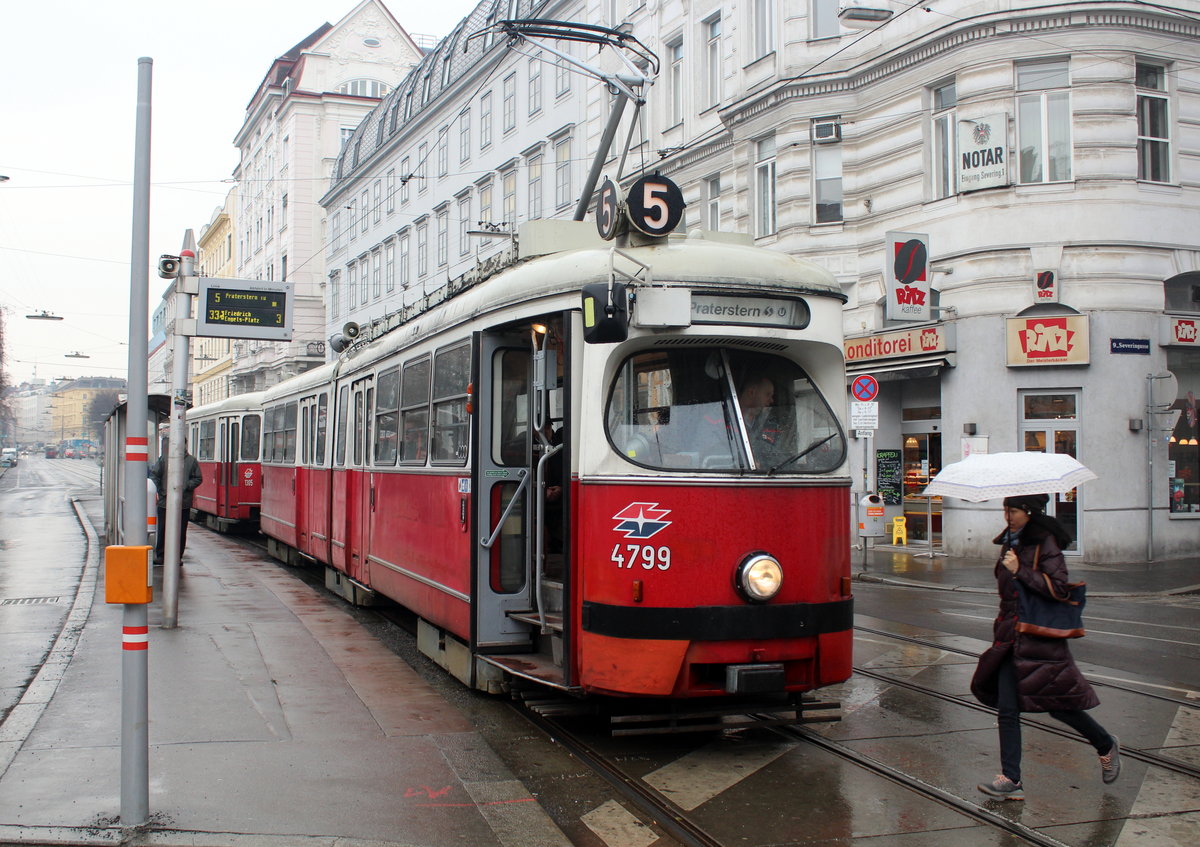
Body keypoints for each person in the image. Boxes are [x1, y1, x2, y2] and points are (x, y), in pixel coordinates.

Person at [970, 493, 1120, 801]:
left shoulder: (1045, 543)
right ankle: (1012, 779)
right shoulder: (1012, 544)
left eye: (1012, 511)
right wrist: (1011, 567)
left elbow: (1059, 587)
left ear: (1028, 511)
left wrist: (1019, 570)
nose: (1007, 516)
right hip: (1011, 635)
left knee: (1058, 705)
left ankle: (1105, 743)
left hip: (1038, 637)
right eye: (1005, 510)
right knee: (1008, 710)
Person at [150, 437, 202, 565]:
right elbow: (155, 475)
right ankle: (161, 555)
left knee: (180, 530)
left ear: (185, 444)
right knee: (163, 529)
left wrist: (186, 486)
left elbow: (198, 478)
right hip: (165, 502)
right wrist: (162, 491)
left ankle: (177, 556)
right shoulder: (164, 459)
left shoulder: (191, 461)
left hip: (183, 503)